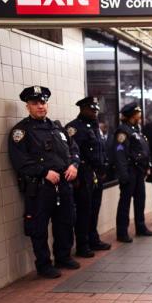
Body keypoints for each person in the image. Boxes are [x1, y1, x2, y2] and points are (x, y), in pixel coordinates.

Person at [9, 86, 81, 278]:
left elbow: (74, 149)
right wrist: (43, 172)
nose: (40, 106)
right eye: (35, 103)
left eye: (43, 102)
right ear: (28, 107)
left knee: (65, 222)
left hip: (64, 184)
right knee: (39, 227)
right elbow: (20, 161)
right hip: (41, 187)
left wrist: (74, 164)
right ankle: (44, 265)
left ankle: (63, 257)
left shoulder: (57, 127)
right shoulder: (21, 131)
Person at [65, 96, 103, 258]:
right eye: (91, 109)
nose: (94, 112)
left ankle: (93, 239)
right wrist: (77, 177)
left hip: (95, 173)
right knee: (83, 211)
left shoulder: (94, 127)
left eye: (96, 109)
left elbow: (100, 150)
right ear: (82, 109)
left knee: (94, 209)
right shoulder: (73, 128)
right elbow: (71, 152)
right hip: (82, 174)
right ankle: (82, 245)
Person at [113, 102, 152, 242]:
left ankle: (140, 226)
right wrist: (123, 174)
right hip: (129, 171)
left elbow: (143, 150)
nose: (140, 116)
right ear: (132, 116)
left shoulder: (135, 129)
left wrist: (147, 165)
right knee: (125, 203)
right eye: (138, 114)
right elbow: (120, 154)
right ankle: (122, 232)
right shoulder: (123, 131)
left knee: (140, 200)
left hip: (139, 171)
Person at [88, 120, 112, 252]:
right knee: (86, 211)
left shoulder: (96, 131)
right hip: (86, 176)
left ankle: (93, 238)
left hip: (97, 175)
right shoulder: (78, 128)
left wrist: (103, 168)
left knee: (95, 208)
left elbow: (103, 151)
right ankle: (85, 243)